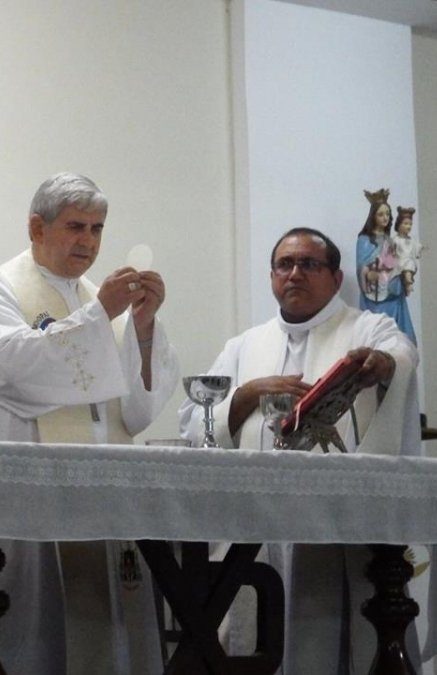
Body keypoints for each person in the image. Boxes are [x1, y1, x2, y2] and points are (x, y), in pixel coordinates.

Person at [0, 172, 181, 675]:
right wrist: (100, 317)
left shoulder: (96, 298)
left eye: (97, 229)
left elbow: (135, 411)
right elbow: (13, 368)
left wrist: (142, 328)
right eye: (76, 226)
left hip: (100, 496)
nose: (89, 241)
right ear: (37, 227)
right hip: (27, 496)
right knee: (36, 638)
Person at [178, 227, 421, 674]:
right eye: (284, 265)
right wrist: (248, 393)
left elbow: (400, 352)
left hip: (332, 527)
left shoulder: (366, 327)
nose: (294, 274)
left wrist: (384, 365)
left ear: (336, 277)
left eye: (309, 264)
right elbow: (196, 424)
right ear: (272, 276)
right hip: (256, 527)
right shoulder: (244, 346)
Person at [356, 188, 417, 344]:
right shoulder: (364, 239)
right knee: (378, 338)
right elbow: (362, 266)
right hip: (375, 298)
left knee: (398, 339)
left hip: (394, 295)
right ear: (373, 216)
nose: (385, 217)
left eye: (387, 214)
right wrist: (370, 273)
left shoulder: (390, 239)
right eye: (381, 214)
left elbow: (396, 260)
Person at [391, 206, 425, 296]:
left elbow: (416, 246)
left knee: (410, 262)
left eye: (410, 224)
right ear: (399, 224)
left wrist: (421, 248)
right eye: (406, 224)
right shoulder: (396, 239)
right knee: (408, 262)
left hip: (408, 262)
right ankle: (408, 282)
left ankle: (408, 282)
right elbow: (391, 250)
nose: (409, 226)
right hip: (399, 262)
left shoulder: (410, 240)